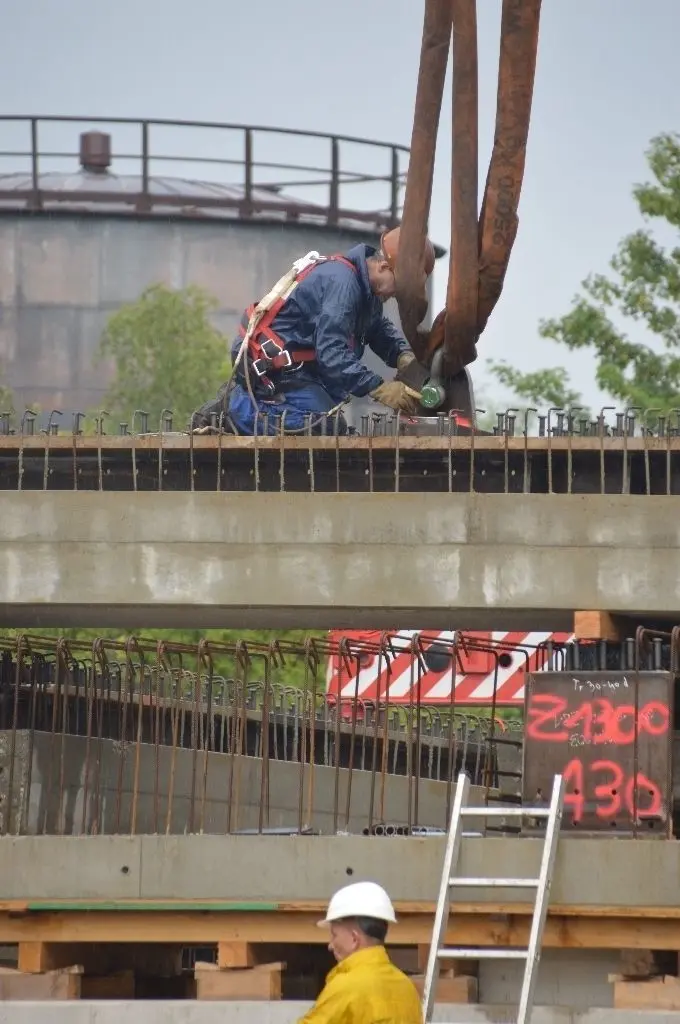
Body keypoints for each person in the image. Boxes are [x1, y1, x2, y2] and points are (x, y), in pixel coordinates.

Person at [191, 228, 436, 435]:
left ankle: (246, 406)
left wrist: (403, 357)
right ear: (384, 266)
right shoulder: (343, 283)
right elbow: (332, 353)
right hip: (277, 370)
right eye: (400, 285)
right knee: (322, 427)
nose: (397, 294)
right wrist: (379, 388)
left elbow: (377, 330)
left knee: (332, 427)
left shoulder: (367, 291)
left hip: (303, 372)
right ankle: (231, 412)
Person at [298, 880, 423, 1024]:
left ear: (354, 939)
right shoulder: (407, 987)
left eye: (334, 935)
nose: (330, 945)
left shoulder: (346, 987)